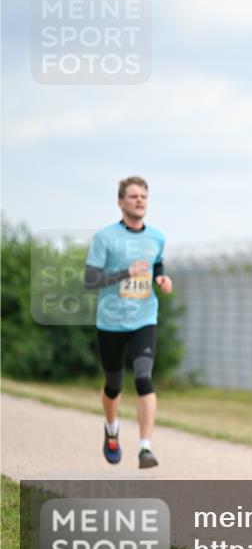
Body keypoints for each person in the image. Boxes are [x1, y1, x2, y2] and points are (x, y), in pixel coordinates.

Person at [84, 176, 172, 468]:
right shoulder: (105, 238)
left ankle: (145, 448)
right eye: (133, 196)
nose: (139, 201)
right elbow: (90, 280)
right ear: (121, 202)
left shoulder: (157, 237)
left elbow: (157, 261)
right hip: (110, 322)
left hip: (144, 319)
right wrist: (124, 273)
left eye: (143, 197)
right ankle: (111, 430)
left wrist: (161, 277)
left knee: (144, 378)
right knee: (114, 384)